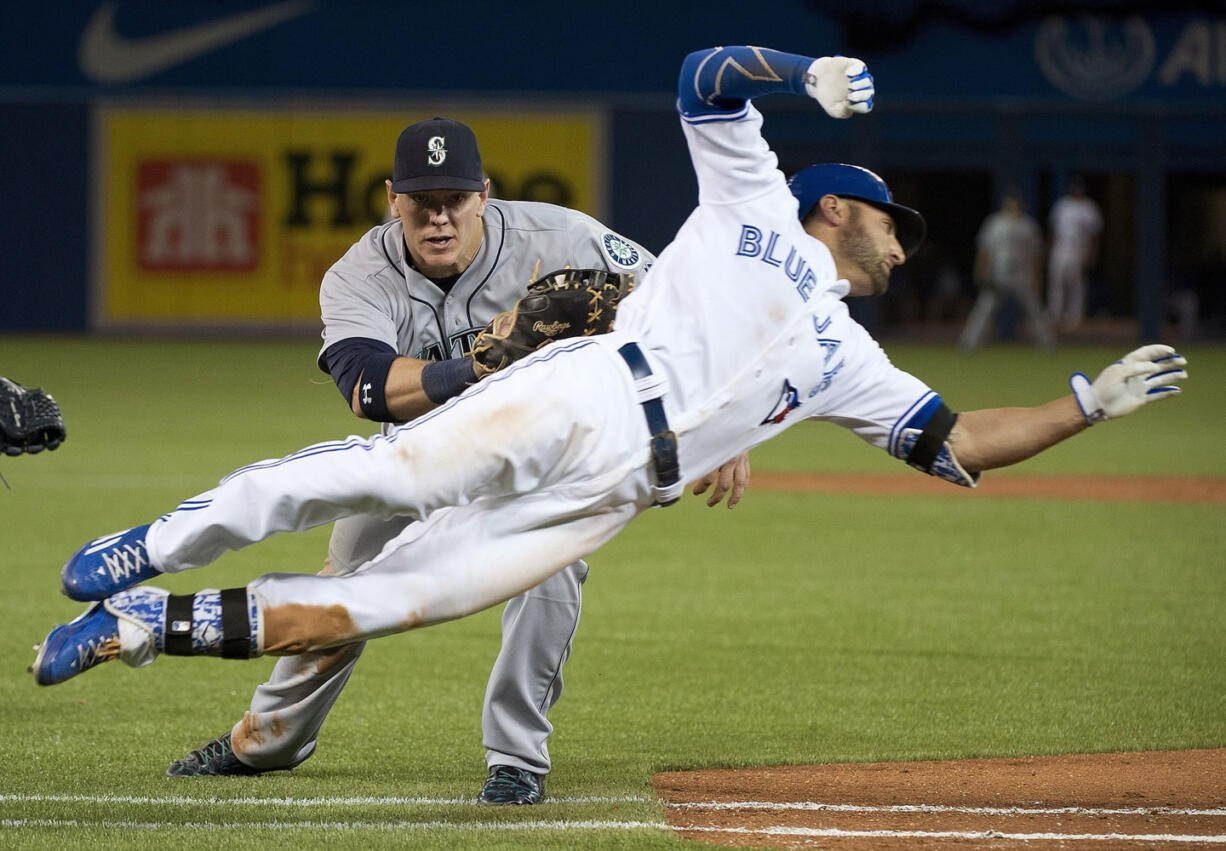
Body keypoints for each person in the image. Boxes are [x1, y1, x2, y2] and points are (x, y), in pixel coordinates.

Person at [34, 47, 1188, 799]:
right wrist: (800, 73)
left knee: (392, 602)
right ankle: (154, 545)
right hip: (580, 394)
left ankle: (144, 621)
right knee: (375, 480)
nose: (906, 242)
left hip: (611, 493)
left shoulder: (851, 358)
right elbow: (704, 78)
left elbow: (959, 442)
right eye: (899, 223)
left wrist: (1080, 405)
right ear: (836, 204)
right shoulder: (753, 201)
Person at [143, 116, 742, 804]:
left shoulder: (561, 239)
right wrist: (482, 364)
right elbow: (368, 388)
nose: (438, 218)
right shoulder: (359, 274)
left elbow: (691, 310)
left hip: (530, 447)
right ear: (391, 198)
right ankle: (271, 738)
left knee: (549, 569)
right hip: (417, 451)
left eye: (453, 200)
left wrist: (725, 419)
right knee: (347, 580)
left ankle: (515, 759)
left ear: (483, 195)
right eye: (421, 203)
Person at [959, 188, 1054, 353]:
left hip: (1022, 275)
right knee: (983, 310)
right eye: (1010, 202)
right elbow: (984, 250)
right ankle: (968, 344)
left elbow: (1036, 255)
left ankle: (1047, 343)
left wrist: (1036, 277)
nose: (1013, 205)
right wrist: (981, 271)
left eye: (1015, 202)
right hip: (998, 275)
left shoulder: (1028, 225)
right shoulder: (994, 223)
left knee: (1035, 310)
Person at [1046, 174, 1103, 331]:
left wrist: (1092, 253)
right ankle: (1054, 314)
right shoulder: (1062, 205)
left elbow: (1094, 235)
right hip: (1060, 247)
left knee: (1076, 284)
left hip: (1078, 249)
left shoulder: (1089, 207)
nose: (1076, 190)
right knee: (1056, 281)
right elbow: (1053, 230)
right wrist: (1050, 249)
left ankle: (1074, 317)